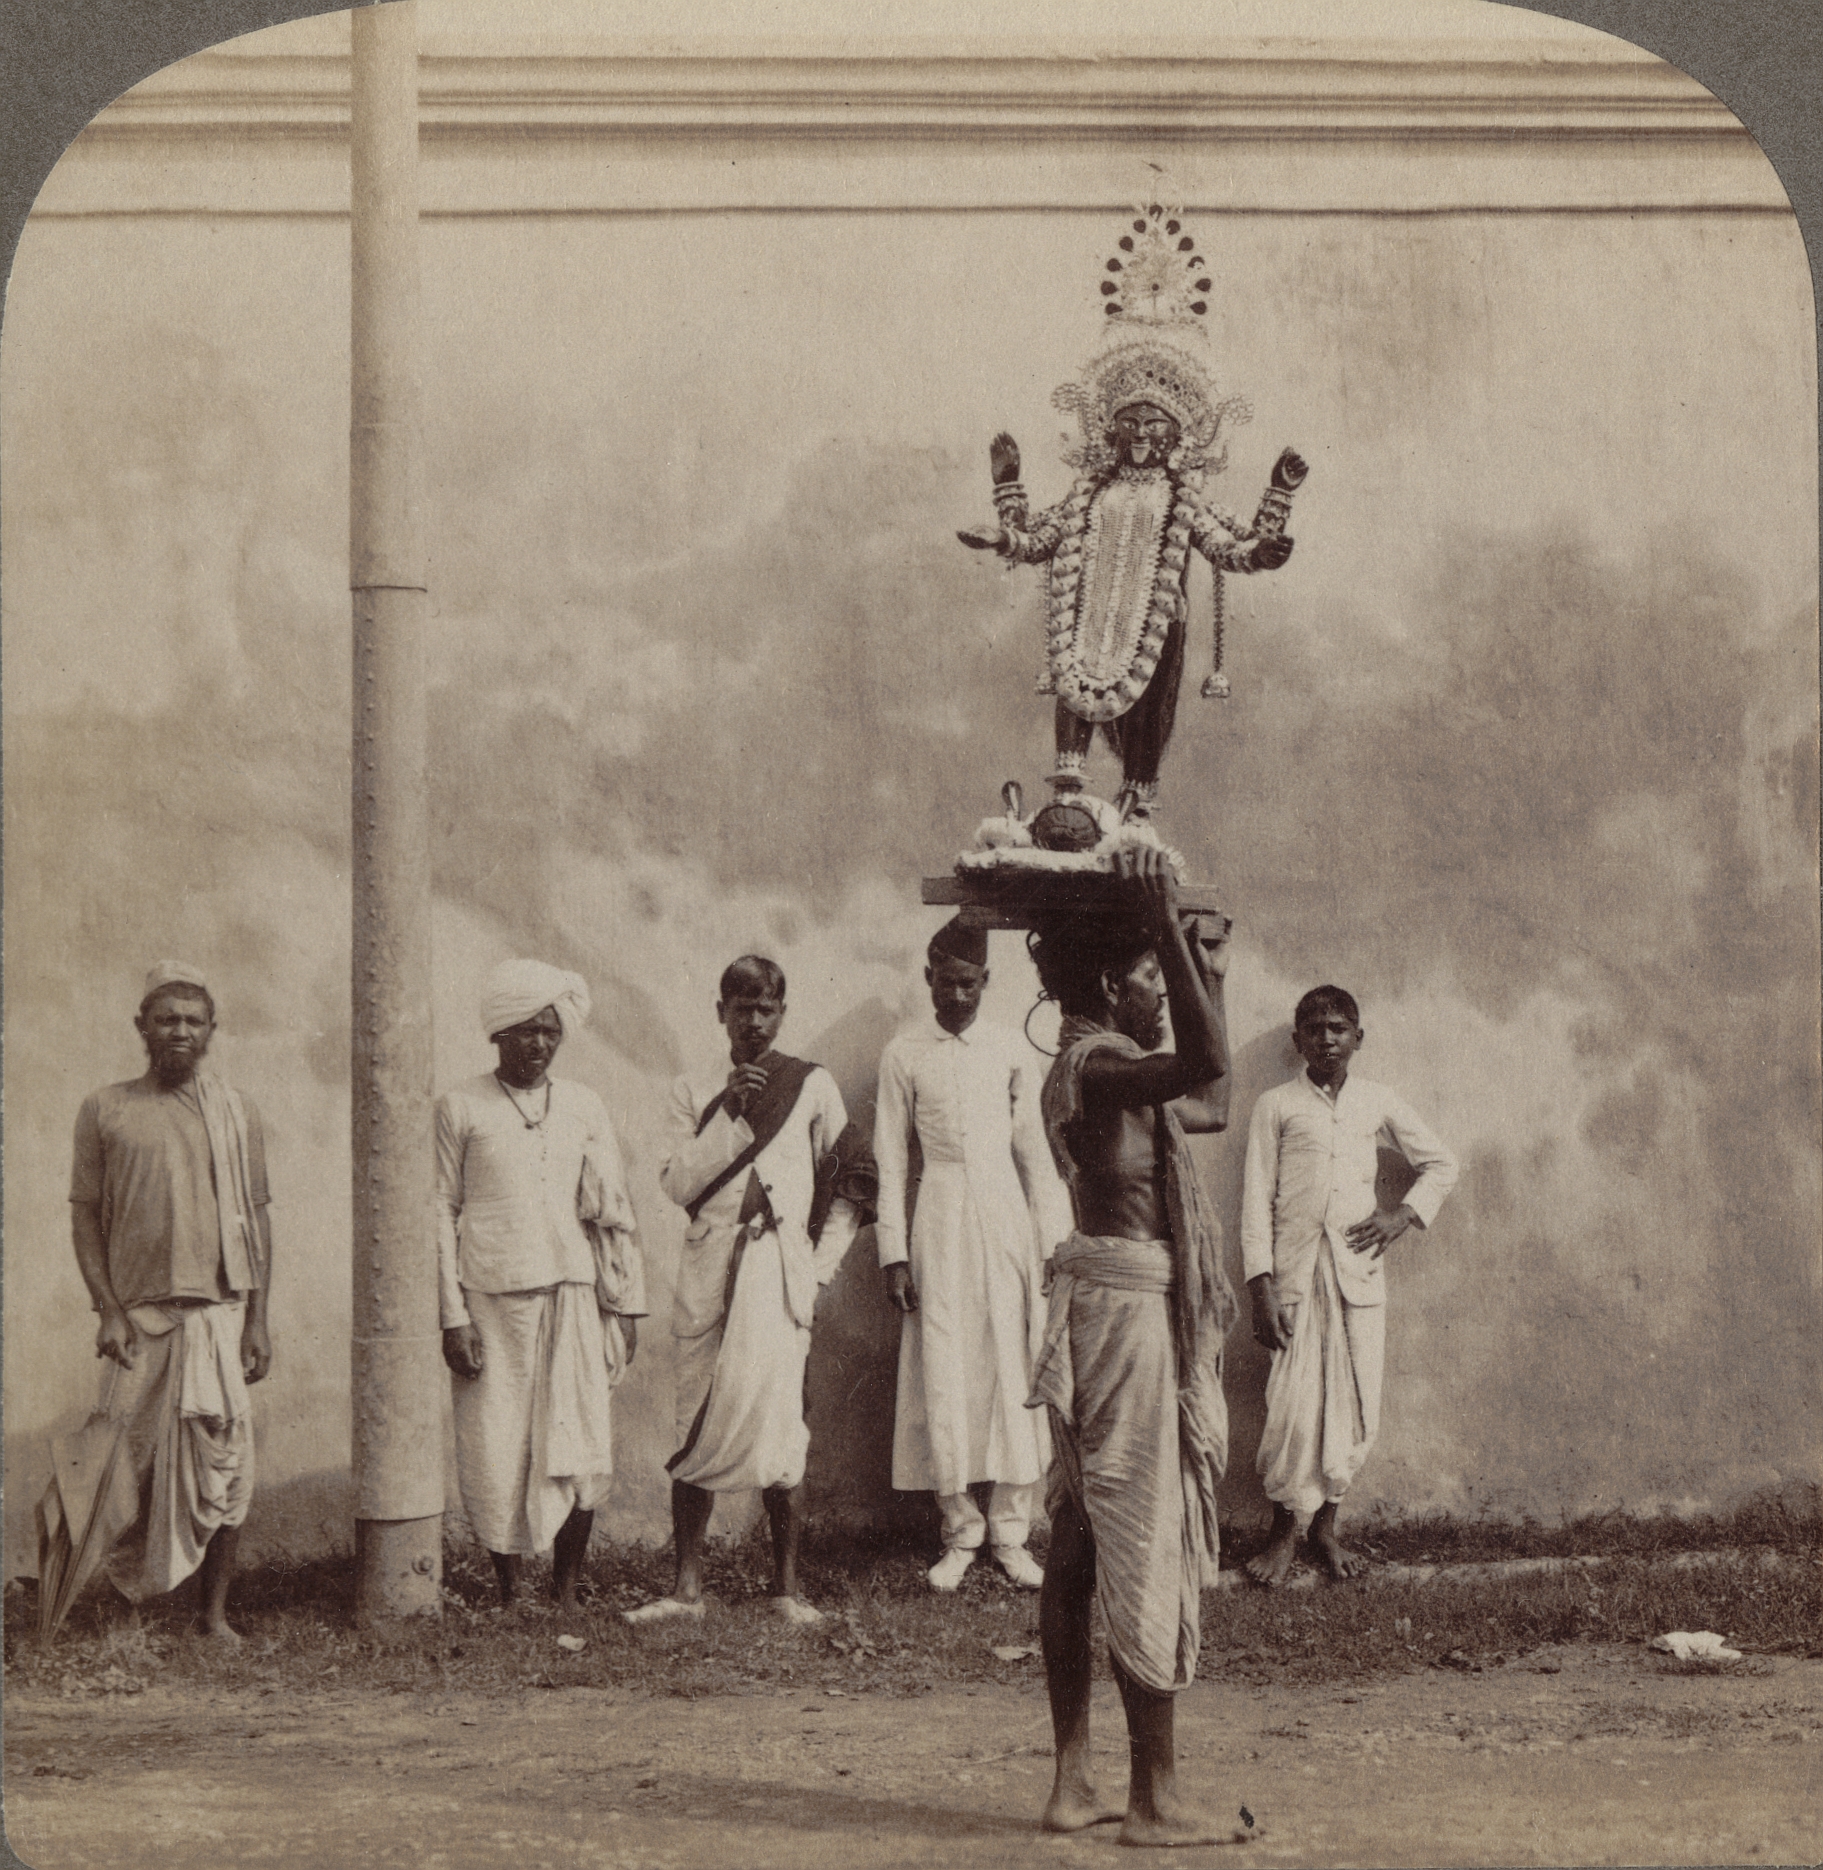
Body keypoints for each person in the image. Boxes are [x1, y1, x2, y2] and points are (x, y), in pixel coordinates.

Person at [1026, 851, 1240, 1847]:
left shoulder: (1104, 1063)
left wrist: (1202, 962)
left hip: (1105, 1308)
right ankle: (1150, 1800)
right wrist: (1160, 922)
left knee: (1076, 1543)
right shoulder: (1098, 1066)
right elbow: (1198, 1066)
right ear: (1113, 982)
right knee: (1138, 1539)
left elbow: (1212, 1099)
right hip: (1118, 1315)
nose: (1165, 987)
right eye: (1153, 974)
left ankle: (1073, 1782)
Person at [625, 956, 875, 1629]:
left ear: (782, 1013)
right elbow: (676, 1184)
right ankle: (685, 1588)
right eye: (742, 1008)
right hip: (710, 1276)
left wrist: (816, 1267)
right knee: (695, 1420)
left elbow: (855, 1177)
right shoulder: (690, 1089)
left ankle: (786, 1590)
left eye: (766, 1009)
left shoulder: (812, 1085)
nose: (754, 1022)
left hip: (781, 1275)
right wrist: (727, 1112)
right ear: (720, 1012)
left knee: (782, 1427)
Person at [62, 962, 273, 1640]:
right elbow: (86, 1217)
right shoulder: (105, 1108)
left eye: (193, 1020)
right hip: (140, 1322)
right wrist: (108, 1312)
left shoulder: (237, 1110)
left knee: (226, 1470)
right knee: (131, 1468)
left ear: (211, 1030)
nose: (179, 1031)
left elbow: (257, 1220)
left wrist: (258, 1319)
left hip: (218, 1315)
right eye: (166, 1019)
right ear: (142, 1027)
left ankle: (212, 1618)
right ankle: (126, 1614)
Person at [438, 959, 646, 1612]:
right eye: (525, 1031)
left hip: (573, 1296)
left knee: (578, 1441)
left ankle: (565, 1588)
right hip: (491, 1302)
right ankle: (509, 1591)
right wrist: (453, 1318)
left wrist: (624, 1302)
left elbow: (611, 1209)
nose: (537, 1044)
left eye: (549, 1032)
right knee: (497, 1444)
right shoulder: (459, 1105)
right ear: (498, 1034)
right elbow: (435, 1212)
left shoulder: (583, 1104)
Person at [873, 917, 1074, 1593]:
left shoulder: (1009, 1052)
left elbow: (1035, 1156)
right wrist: (893, 1256)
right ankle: (959, 1533)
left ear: (985, 983)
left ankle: (1011, 1534)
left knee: (1014, 1366)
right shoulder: (904, 1054)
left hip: (1003, 1216)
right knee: (944, 1365)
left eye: (969, 983)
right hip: (938, 1214)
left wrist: (1053, 1244)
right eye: (945, 982)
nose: (956, 996)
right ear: (927, 979)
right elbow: (890, 1156)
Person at [1240, 985, 1459, 1587]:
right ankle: (1283, 1533)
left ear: (1358, 1037)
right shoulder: (1276, 1105)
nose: (1327, 1038)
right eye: (1314, 1028)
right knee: (1290, 1406)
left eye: (1339, 1028)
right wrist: (1260, 1284)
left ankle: (1326, 1528)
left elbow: (1442, 1163)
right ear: (1297, 1040)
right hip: (1293, 1276)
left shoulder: (1377, 1100)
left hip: (1357, 1275)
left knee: (1355, 1404)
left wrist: (1401, 1216)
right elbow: (1256, 1201)